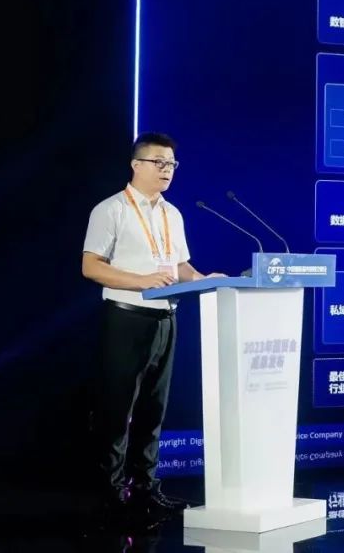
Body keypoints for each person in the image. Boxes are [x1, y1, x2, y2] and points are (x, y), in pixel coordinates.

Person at [82, 132, 221, 517]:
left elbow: (179, 266)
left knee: (153, 411)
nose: (167, 170)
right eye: (159, 162)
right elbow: (91, 266)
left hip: (166, 319)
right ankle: (109, 495)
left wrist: (204, 278)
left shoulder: (171, 213)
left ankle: (144, 489)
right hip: (126, 319)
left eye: (172, 164)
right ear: (136, 164)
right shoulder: (111, 210)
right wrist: (142, 281)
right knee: (116, 410)